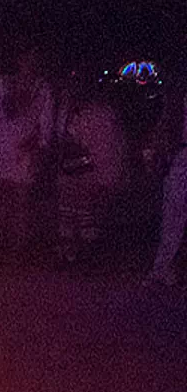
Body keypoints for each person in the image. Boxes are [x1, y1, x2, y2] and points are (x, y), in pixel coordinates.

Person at [0, 47, 55, 260]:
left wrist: (40, 145)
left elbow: (46, 122)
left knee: (21, 202)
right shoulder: (2, 85)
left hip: (24, 152)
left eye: (34, 60)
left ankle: (20, 248)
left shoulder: (42, 89)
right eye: (26, 59)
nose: (29, 64)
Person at [53, 80, 129, 265]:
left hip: (84, 170)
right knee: (88, 212)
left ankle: (74, 254)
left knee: (73, 211)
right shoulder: (111, 114)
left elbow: (70, 140)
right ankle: (87, 254)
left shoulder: (81, 115)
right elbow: (120, 144)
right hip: (104, 170)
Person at [146, 80, 187, 286]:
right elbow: (166, 126)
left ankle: (166, 268)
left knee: (173, 213)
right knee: (173, 214)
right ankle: (163, 268)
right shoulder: (176, 96)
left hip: (180, 156)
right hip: (180, 156)